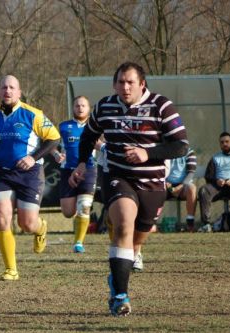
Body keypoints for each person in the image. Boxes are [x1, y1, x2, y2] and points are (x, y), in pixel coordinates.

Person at [70, 62, 188, 316]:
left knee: (135, 244)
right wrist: (82, 163)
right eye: (121, 82)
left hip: (153, 182)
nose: (125, 87)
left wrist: (149, 153)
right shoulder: (105, 106)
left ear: (142, 84)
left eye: (130, 82)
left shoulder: (161, 106)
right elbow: (89, 136)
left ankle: (116, 278)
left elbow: (181, 146)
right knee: (123, 223)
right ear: (114, 84)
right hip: (117, 176)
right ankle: (120, 297)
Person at [0, 75, 60, 281]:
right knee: (1, 217)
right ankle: (11, 269)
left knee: (26, 224)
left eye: (12, 88)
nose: (7, 91)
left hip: (30, 173)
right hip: (2, 173)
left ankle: (40, 227)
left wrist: (32, 157)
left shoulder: (33, 114)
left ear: (19, 92)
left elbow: (54, 138)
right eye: (3, 87)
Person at [54, 96, 97, 253]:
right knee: (68, 212)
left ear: (88, 108)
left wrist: (102, 146)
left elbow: (101, 144)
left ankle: (78, 242)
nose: (80, 108)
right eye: (77, 105)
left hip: (89, 169)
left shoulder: (94, 127)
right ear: (73, 108)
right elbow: (50, 143)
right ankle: (78, 223)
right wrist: (56, 154)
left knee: (84, 206)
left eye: (83, 105)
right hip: (68, 170)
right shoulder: (64, 126)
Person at [198, 132, 230, 232]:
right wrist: (216, 181)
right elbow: (208, 176)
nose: (224, 144)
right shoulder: (215, 158)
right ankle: (206, 225)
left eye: (227, 141)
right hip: (218, 187)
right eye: (222, 142)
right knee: (203, 190)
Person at [165, 148, 197, 232]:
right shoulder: (164, 150)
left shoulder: (189, 152)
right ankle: (151, 225)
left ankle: (190, 223)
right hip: (166, 185)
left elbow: (191, 173)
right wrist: (165, 183)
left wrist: (180, 186)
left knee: (192, 188)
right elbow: (160, 170)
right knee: (155, 190)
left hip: (184, 186)